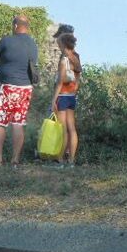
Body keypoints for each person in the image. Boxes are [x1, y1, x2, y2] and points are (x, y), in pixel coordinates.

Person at [0, 14, 39, 166]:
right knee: (18, 122)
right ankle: (15, 159)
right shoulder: (33, 44)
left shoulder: (6, 40)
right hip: (25, 89)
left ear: (16, 25)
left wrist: (2, 63)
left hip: (8, 87)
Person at [50, 32, 81, 166]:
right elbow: (78, 80)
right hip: (72, 97)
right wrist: (74, 91)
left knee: (62, 130)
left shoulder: (64, 60)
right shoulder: (76, 58)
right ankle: (72, 160)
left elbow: (60, 82)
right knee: (72, 128)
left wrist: (54, 99)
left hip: (62, 96)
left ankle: (61, 159)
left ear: (63, 44)